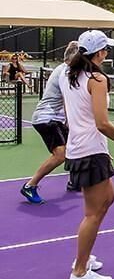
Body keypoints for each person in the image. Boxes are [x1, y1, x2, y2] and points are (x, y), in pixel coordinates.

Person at [60, 30, 114, 279]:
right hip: (89, 150)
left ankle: (84, 258)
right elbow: (102, 123)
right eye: (106, 49)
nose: (108, 53)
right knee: (93, 213)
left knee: (108, 198)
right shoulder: (97, 79)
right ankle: (80, 271)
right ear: (99, 53)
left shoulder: (67, 74)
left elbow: (69, 110)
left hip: (85, 148)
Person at [20, 42, 81, 205]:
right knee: (60, 154)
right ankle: (29, 185)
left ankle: (74, 182)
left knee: (76, 146)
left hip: (55, 118)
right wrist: (72, 123)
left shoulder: (66, 69)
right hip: (46, 118)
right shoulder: (66, 73)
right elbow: (69, 102)